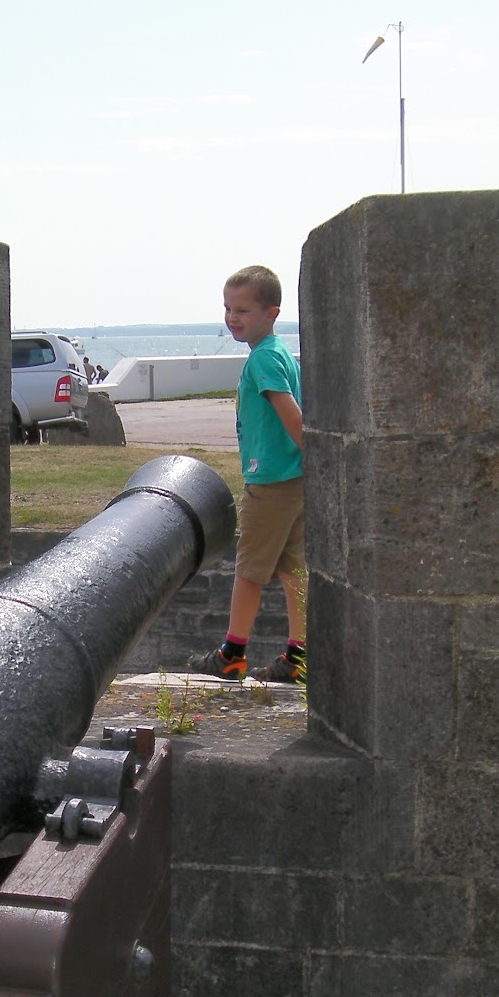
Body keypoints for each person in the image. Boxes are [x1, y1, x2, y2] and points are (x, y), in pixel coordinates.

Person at [189, 264, 306, 684]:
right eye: (227, 308)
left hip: (271, 481)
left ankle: (232, 652)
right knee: (294, 571)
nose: (232, 318)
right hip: (293, 479)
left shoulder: (262, 360)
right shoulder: (279, 354)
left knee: (250, 571)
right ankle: (299, 657)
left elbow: (290, 415)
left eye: (242, 310)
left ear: (270, 313)